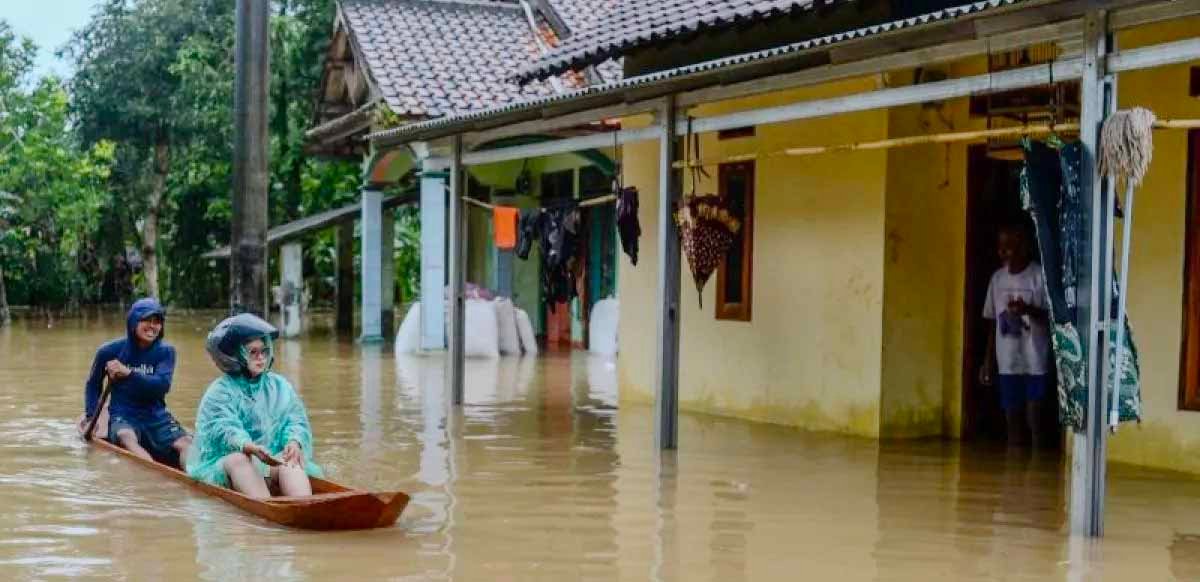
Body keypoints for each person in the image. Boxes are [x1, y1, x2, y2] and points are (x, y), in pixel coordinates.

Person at [186, 314, 321, 498]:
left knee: (290, 459)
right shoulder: (220, 391)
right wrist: (249, 447)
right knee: (239, 459)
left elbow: (295, 419)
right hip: (233, 465)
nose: (261, 358)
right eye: (253, 352)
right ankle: (266, 507)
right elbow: (224, 429)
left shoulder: (279, 386)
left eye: (264, 351)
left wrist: (294, 441)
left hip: (269, 462)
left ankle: (303, 507)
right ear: (237, 355)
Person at [81, 298, 191, 466]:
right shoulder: (109, 351)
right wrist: (90, 417)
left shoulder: (166, 351)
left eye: (157, 322)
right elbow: (92, 385)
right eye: (147, 320)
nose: (152, 326)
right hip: (123, 415)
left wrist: (128, 373)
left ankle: (197, 475)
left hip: (156, 415)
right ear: (133, 322)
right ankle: (154, 474)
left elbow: (162, 386)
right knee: (126, 438)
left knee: (185, 444)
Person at [979, 225, 1052, 448]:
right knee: (1013, 422)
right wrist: (987, 361)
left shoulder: (1039, 276)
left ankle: (1037, 470)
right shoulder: (997, 279)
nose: (1003, 252)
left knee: (1035, 420)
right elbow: (991, 320)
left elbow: (1052, 318)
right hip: (1008, 362)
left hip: (1035, 359)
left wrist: (1027, 310)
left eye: (1009, 247)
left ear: (1024, 247)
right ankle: (1015, 475)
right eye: (1000, 247)